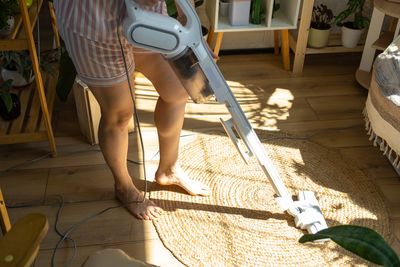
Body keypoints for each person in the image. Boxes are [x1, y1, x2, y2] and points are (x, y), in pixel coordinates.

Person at [53, 0, 211, 220]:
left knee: (178, 88)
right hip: (92, 18)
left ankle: (169, 169)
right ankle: (123, 186)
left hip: (146, 14)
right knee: (120, 113)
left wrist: (190, 26)